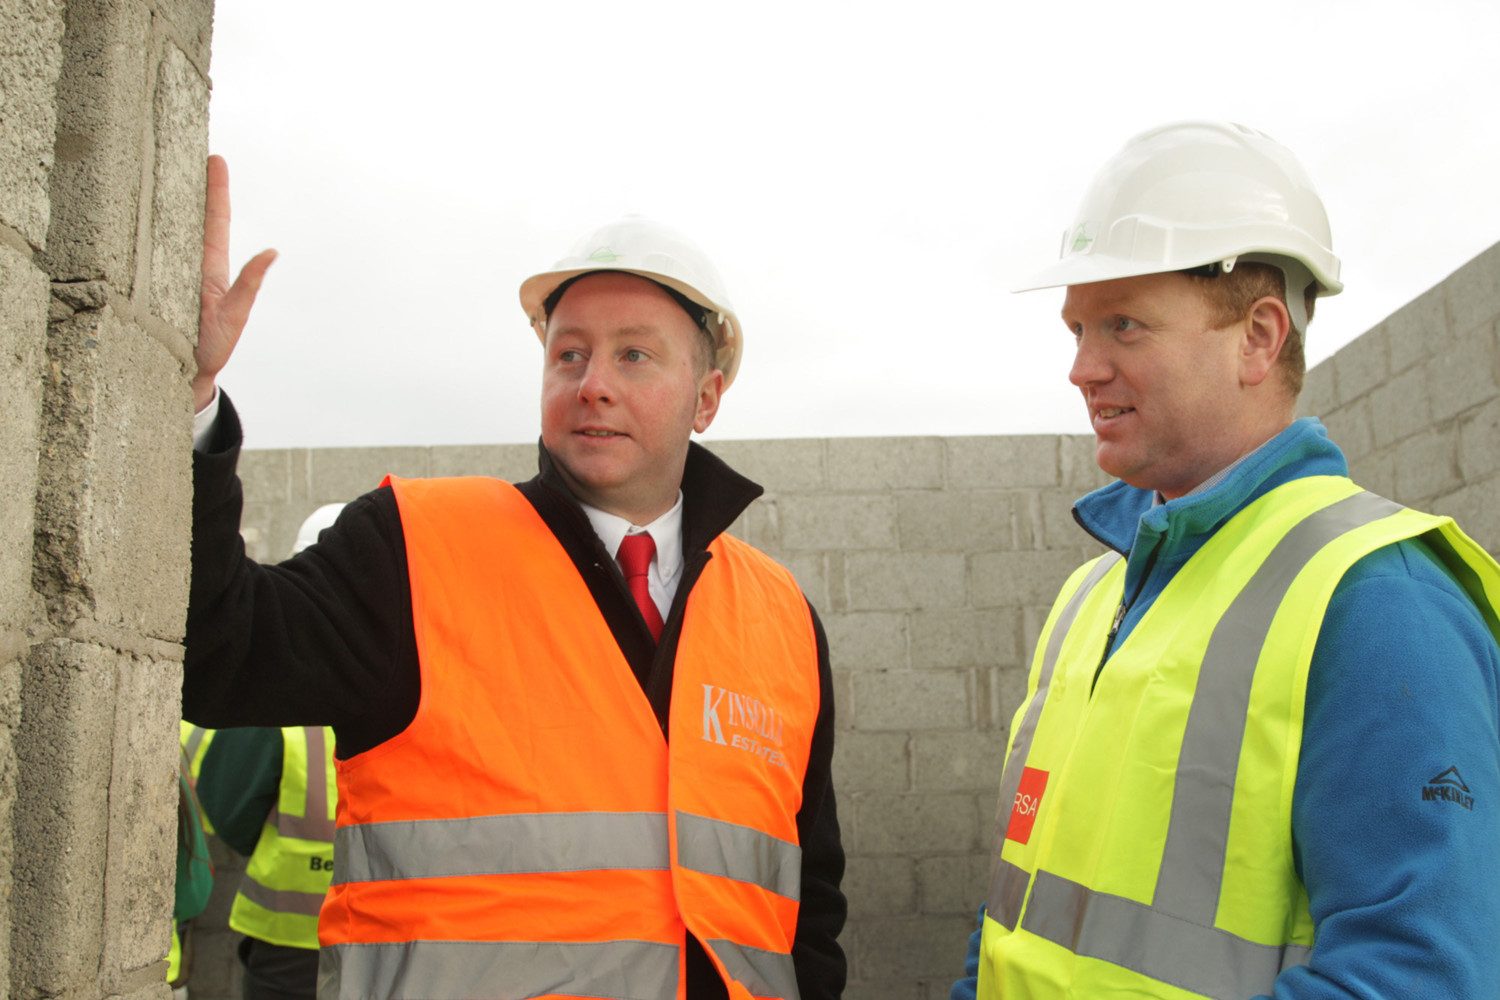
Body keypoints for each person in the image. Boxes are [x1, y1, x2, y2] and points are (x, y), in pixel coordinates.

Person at [182, 157, 846, 1000]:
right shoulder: (412, 551)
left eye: (634, 356)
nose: (593, 385)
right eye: (569, 355)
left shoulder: (780, 618)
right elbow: (215, 646)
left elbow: (810, 905)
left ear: (705, 399)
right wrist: (193, 401)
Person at [953, 121, 1500, 999]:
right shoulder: (1091, 599)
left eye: (1123, 326)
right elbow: (1015, 922)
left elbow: (1421, 977)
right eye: (1077, 328)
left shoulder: (1377, 602)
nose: (1081, 368)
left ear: (1258, 336)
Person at [191, 506, 345, 1000]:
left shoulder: (277, 686)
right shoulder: (410, 677)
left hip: (287, 939)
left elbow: (228, 803)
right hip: (382, 932)